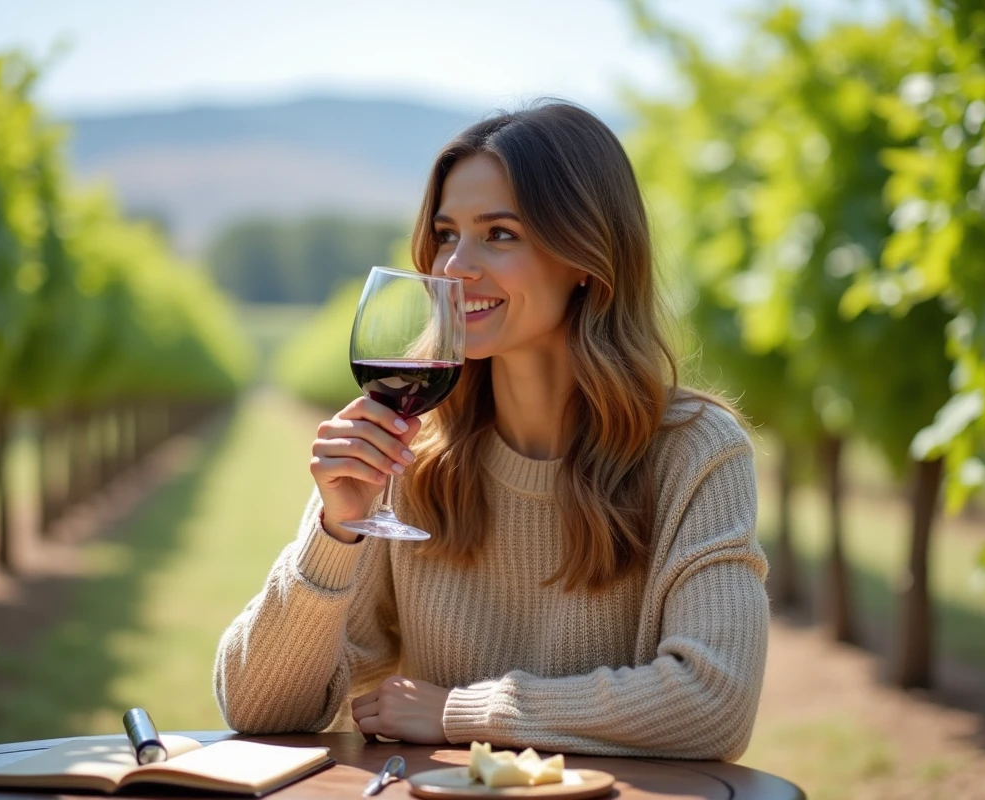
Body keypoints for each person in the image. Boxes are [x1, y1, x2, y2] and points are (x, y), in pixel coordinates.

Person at [213, 101, 769, 761]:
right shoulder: (406, 449)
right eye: (446, 235)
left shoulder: (696, 452)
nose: (454, 266)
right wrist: (334, 533)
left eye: (499, 234)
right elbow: (256, 709)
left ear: (586, 256)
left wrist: (459, 713)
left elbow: (714, 704)